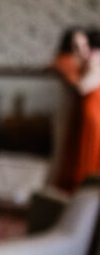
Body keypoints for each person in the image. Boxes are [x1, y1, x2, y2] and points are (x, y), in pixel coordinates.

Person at [53, 27, 100, 191]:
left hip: (90, 114)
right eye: (76, 46)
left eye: (84, 45)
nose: (81, 50)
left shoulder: (92, 62)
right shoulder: (66, 62)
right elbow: (80, 87)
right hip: (75, 113)